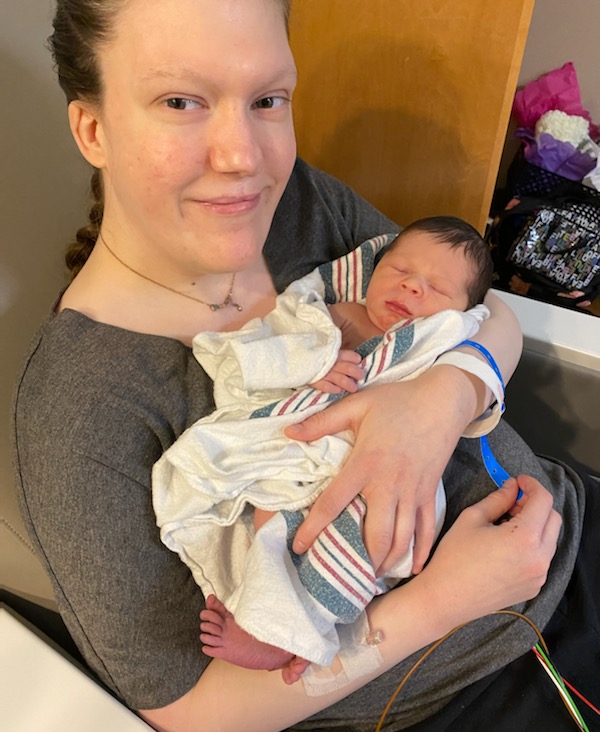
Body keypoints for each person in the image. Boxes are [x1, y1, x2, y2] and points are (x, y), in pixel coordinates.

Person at [11, 1, 598, 732]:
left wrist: (438, 403)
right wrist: (444, 599)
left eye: (267, 99)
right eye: (180, 100)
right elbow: (186, 708)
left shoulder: (297, 209)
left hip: (571, 527)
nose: (242, 156)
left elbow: (483, 309)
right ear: (93, 130)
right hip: (454, 708)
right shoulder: (79, 406)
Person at [153, 217, 496, 685]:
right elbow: (258, 350)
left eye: (435, 287)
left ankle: (289, 631)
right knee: (273, 522)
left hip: (383, 465)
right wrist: (311, 362)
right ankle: (274, 618)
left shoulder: (439, 341)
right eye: (398, 270)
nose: (412, 287)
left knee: (362, 531)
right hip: (300, 443)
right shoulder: (328, 312)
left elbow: (487, 336)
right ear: (372, 268)